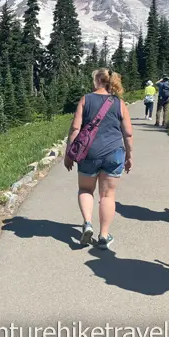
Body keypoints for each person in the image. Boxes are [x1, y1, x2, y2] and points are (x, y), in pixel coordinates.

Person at [64, 68, 133, 250]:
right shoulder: (119, 103)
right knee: (107, 195)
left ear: (96, 80)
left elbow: (75, 129)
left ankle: (87, 223)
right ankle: (103, 236)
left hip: (89, 153)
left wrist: (69, 153)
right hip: (114, 153)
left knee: (86, 189)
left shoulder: (86, 99)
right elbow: (128, 133)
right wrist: (129, 156)